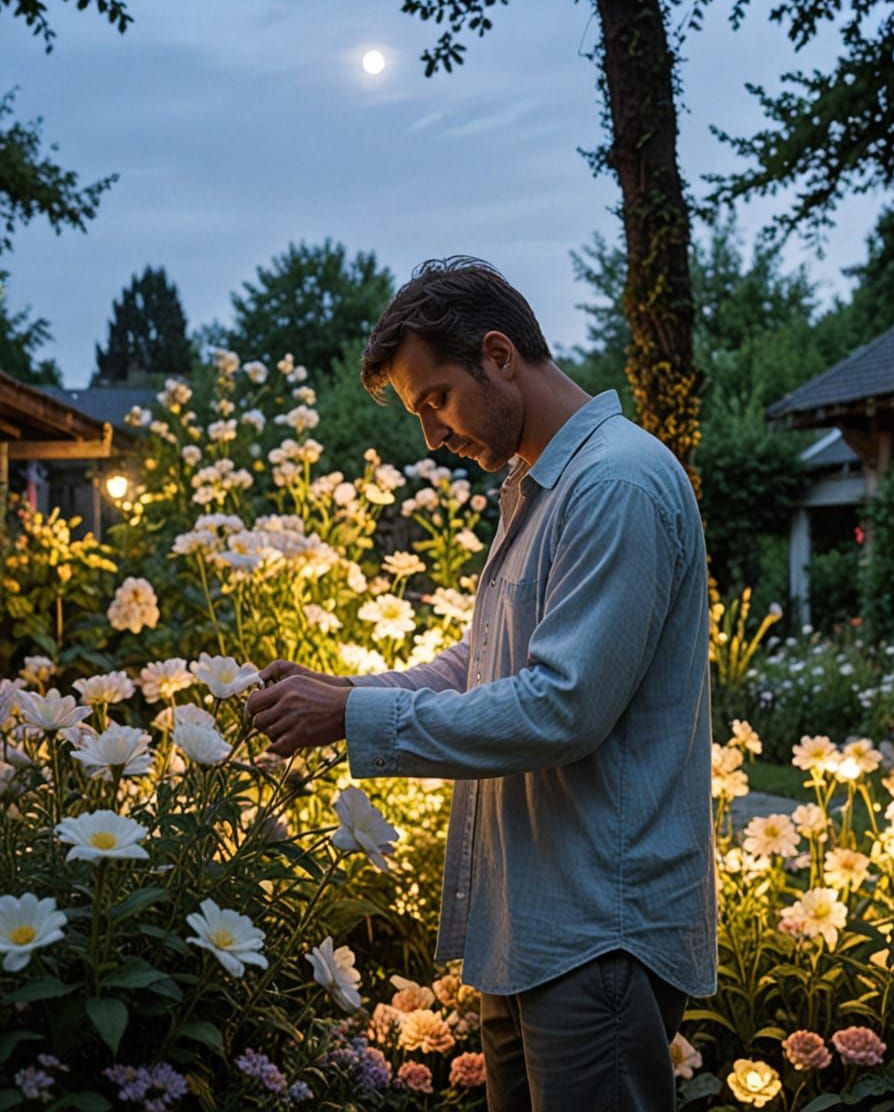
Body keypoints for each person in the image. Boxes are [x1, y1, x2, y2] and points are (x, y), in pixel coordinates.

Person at [246, 257, 717, 1112]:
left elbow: (561, 708)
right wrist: (341, 691)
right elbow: (483, 664)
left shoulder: (615, 483)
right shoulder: (540, 490)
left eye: (437, 399)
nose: (432, 435)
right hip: (532, 928)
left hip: (596, 932)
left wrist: (352, 716)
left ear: (499, 355)